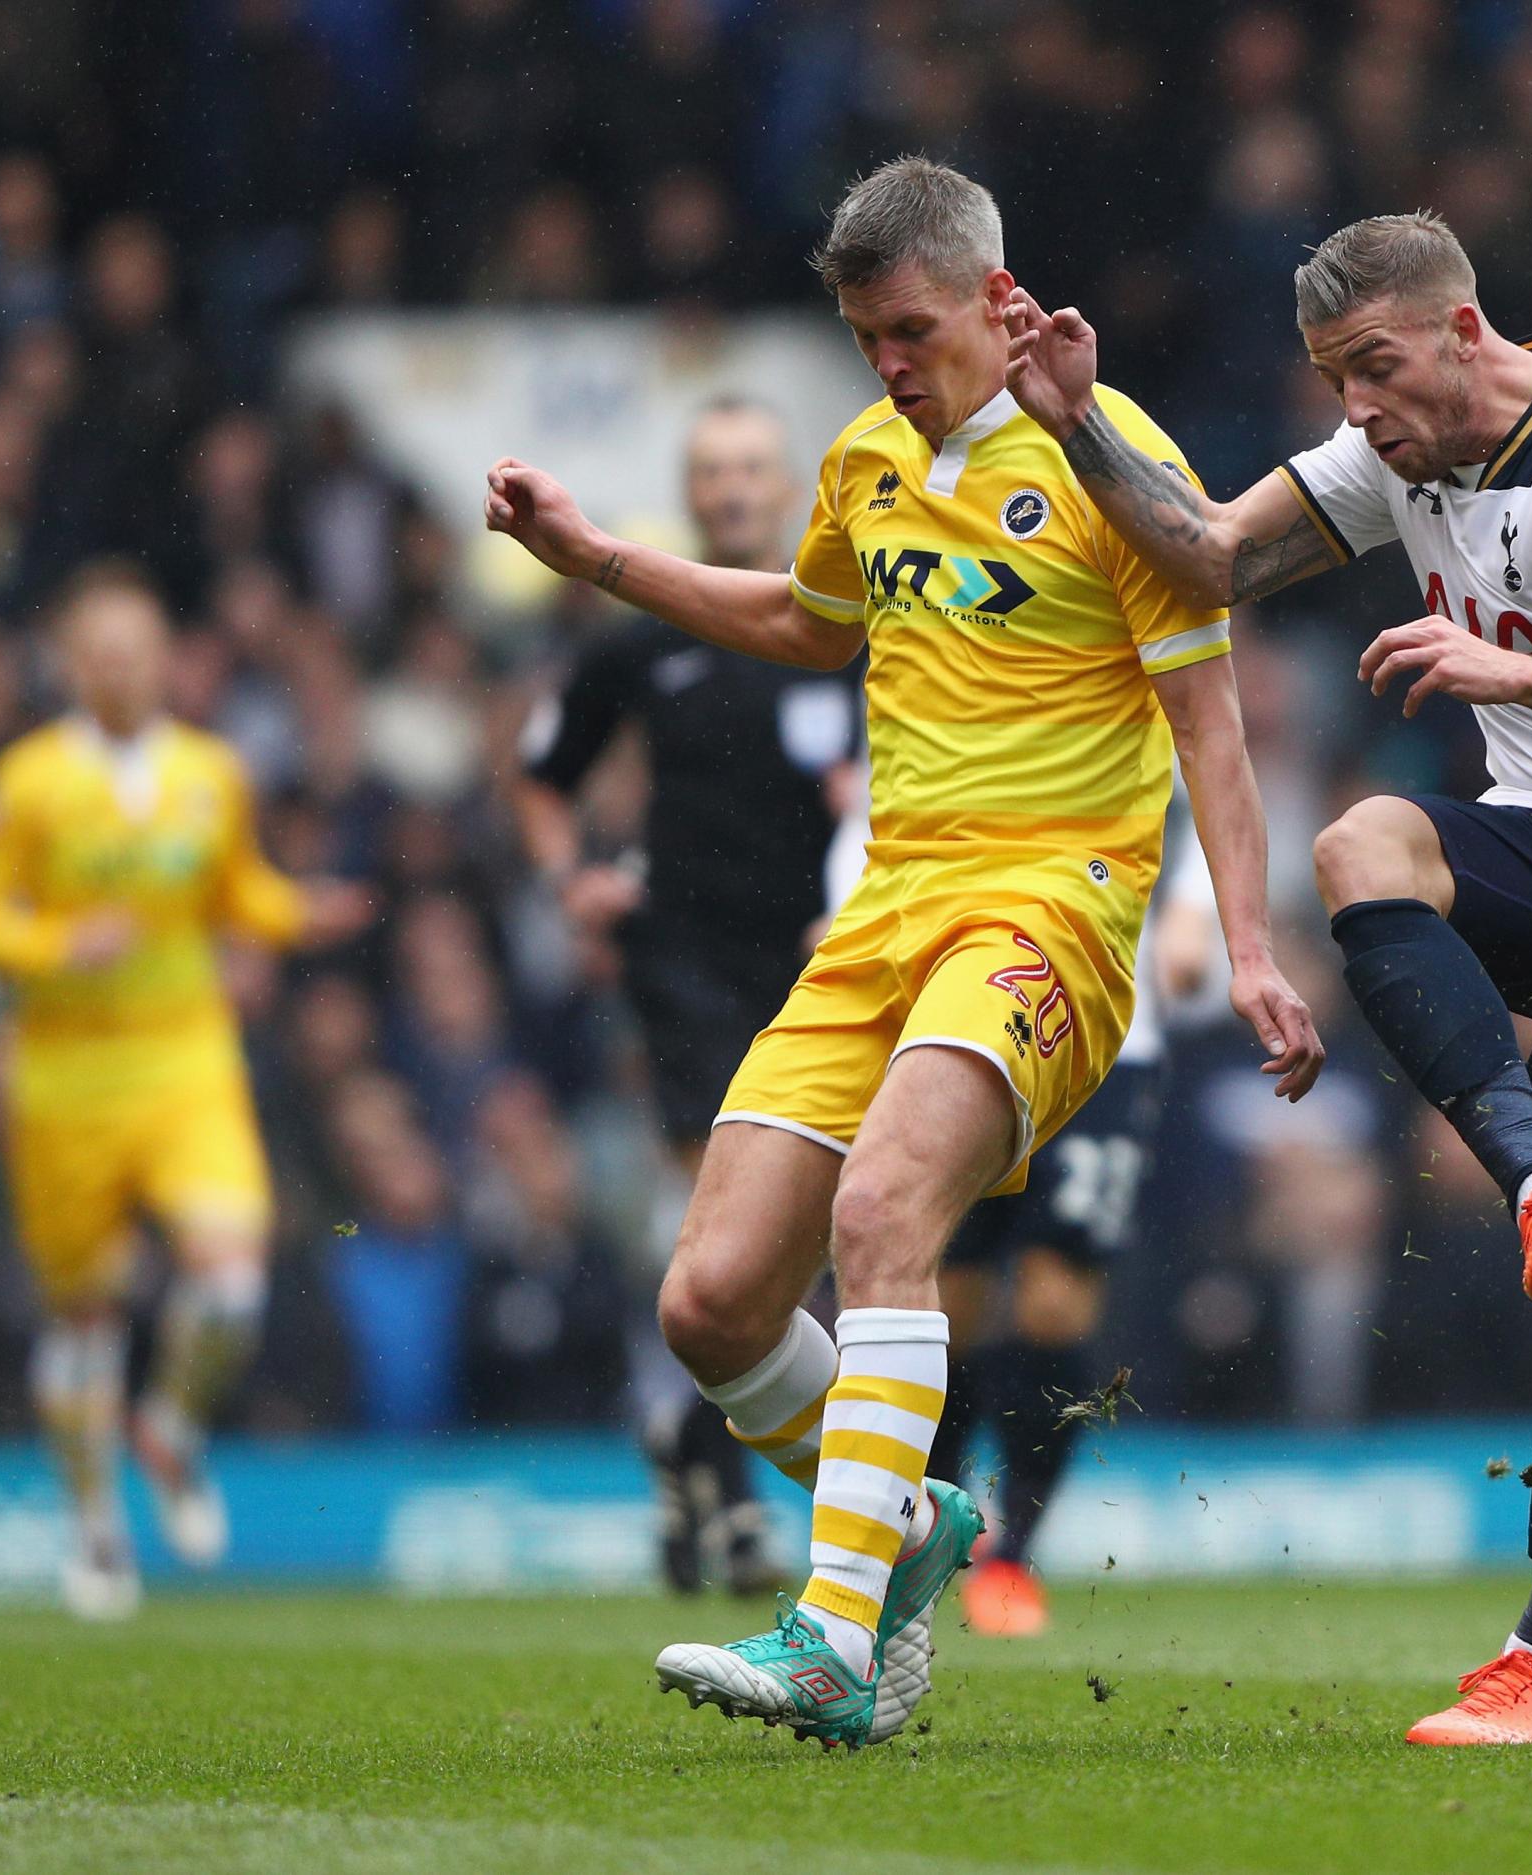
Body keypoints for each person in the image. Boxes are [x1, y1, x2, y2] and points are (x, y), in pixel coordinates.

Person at [482, 157, 1321, 1748]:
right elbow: (809, 622)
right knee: (714, 1301)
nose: (887, 363)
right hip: (882, 912)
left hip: (1047, 911)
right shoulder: (867, 457)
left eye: (912, 330)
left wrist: (1258, 950)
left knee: (881, 1211)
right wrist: (598, 559)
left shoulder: (1110, 457)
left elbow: (1210, 721)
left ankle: (838, 1633)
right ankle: (916, 1523)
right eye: (866, 334)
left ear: (1003, 308)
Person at [1004, 209, 1532, 1745]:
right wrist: (1078, 423)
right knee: (1365, 842)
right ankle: (1528, 1185)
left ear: (1462, 328)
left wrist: (1517, 672)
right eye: (1331, 379)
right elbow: (1215, 554)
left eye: (1372, 369)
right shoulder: (1396, 456)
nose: (1355, 409)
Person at [0, 564, 368, 1617]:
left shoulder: (210, 773)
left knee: (231, 1278)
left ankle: (171, 1427)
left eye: (139, 650)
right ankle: (95, 1534)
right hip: (66, 1076)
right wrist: (53, 942)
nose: (124, 670)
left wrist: (295, 913)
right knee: (84, 1315)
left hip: (186, 1058)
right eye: (102, 653)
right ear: (75, 666)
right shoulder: (27, 781)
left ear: (166, 658)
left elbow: (237, 889)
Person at [514, 396, 848, 1598]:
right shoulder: (641, 639)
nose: (733, 488)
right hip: (684, 965)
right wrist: (573, 883)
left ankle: (691, 1453)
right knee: (731, 1222)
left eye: (752, 466)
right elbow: (542, 775)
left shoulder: (841, 624)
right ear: (691, 489)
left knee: (795, 1250)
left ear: (785, 484)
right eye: (712, 470)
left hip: (822, 968)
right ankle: (733, 1493)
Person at [925, 812, 1217, 1636]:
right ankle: (932, 1531)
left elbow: (1188, 835)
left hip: (1111, 1051)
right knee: (951, 1306)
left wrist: (1190, 926)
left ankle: (1014, 1552)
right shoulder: (979, 727)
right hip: (979, 1033)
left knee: (1055, 1303)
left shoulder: (1148, 756)